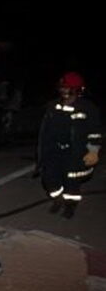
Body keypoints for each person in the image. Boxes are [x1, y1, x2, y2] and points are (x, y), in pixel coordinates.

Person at [37, 71, 101, 218]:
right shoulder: (53, 106)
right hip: (54, 149)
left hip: (75, 152)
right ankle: (57, 199)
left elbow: (94, 132)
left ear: (76, 89)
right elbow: (45, 130)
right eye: (62, 87)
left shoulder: (87, 108)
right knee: (49, 178)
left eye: (67, 87)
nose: (64, 90)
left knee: (72, 181)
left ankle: (70, 206)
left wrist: (93, 150)